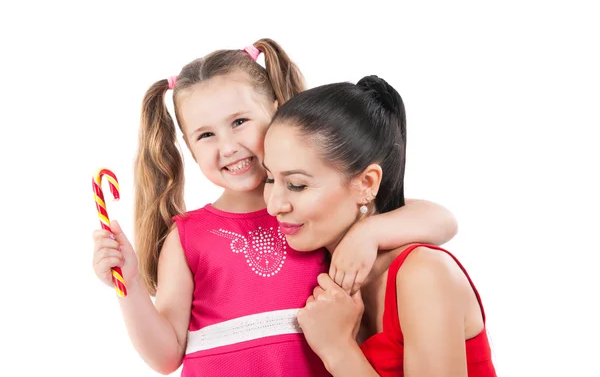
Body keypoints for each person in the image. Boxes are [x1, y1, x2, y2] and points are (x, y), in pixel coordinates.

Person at [92, 39, 459, 376]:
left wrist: (369, 231)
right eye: (205, 135)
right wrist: (133, 285)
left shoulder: (314, 215)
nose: (229, 146)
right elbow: (166, 355)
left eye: (239, 122)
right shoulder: (189, 236)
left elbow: (441, 220)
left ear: (276, 111)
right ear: (188, 146)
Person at [263, 75, 497, 376]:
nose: (273, 205)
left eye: (296, 185)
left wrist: (338, 350)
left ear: (366, 182)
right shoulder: (316, 267)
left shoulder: (423, 274)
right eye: (270, 178)